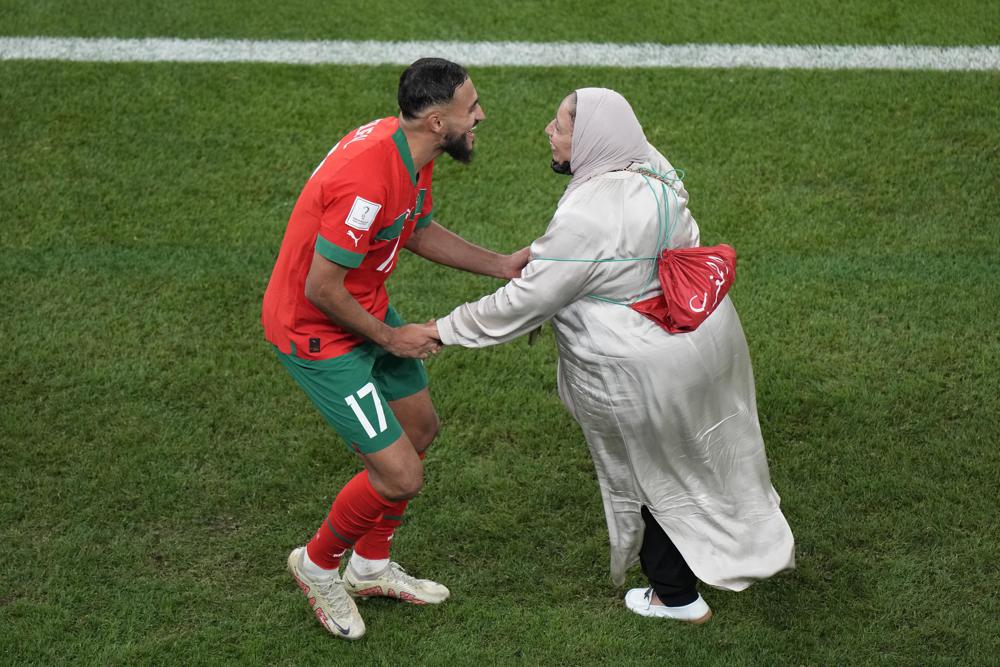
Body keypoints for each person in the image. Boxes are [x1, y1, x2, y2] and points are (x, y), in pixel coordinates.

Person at [431, 88, 794, 623]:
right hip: (706, 340)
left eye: (559, 127)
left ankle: (675, 596)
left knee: (652, 475)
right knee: (708, 461)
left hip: (642, 366)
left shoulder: (588, 212)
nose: (548, 134)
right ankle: (751, 543)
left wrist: (443, 329)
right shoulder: (653, 166)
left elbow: (529, 298)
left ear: (592, 141)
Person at [261, 58, 529, 640]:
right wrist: (390, 337)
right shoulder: (367, 177)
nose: (480, 115)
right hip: (321, 332)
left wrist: (502, 265)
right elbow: (321, 287)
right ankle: (318, 564)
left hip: (366, 310)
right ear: (437, 122)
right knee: (402, 475)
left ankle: (371, 566)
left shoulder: (409, 151)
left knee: (420, 429)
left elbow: (416, 228)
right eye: (470, 109)